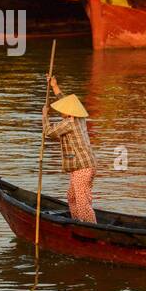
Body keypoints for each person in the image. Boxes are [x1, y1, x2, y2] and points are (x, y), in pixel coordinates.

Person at [42, 76, 97, 223]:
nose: (61, 112)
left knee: (82, 201)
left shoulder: (69, 123)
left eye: (63, 110)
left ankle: (90, 228)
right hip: (84, 166)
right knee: (72, 197)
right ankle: (77, 222)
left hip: (82, 167)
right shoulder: (80, 118)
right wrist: (55, 87)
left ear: (69, 112)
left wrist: (45, 116)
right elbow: (66, 100)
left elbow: (49, 132)